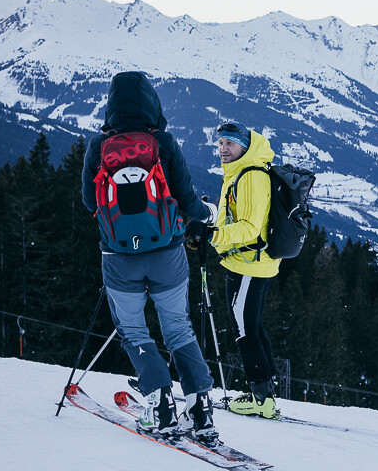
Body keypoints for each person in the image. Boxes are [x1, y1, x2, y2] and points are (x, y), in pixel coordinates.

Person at [80, 71, 219, 441]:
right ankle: (200, 408)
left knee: (133, 331)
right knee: (178, 328)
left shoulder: (99, 147)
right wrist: (207, 214)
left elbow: (90, 202)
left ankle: (159, 404)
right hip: (167, 254)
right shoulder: (164, 143)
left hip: (118, 257)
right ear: (152, 105)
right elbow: (188, 201)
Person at [188, 120, 281, 418]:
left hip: (250, 263)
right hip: (246, 261)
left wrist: (213, 236)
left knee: (244, 328)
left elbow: (251, 228)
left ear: (244, 146)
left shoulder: (252, 175)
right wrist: (211, 221)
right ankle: (267, 390)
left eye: (230, 143)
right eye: (220, 143)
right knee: (251, 325)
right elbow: (232, 215)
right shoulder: (239, 171)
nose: (223, 149)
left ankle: (261, 398)